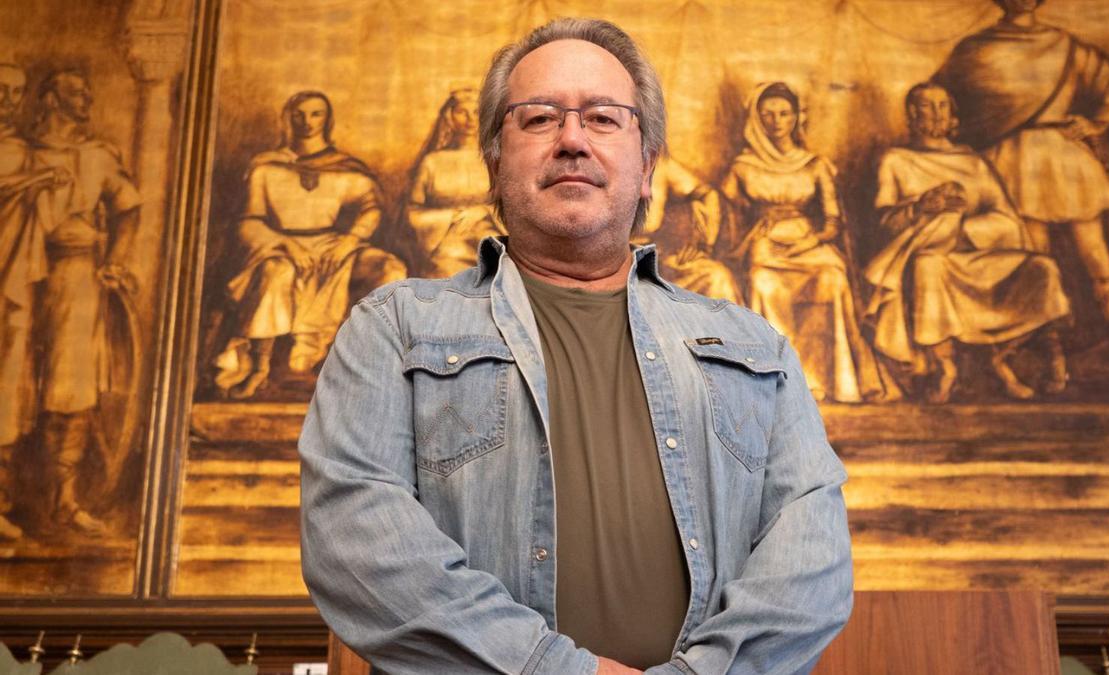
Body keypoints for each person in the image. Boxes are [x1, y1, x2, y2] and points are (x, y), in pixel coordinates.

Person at [301, 18, 852, 675]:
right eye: (538, 118)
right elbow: (357, 539)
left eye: (602, 117)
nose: (570, 139)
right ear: (495, 165)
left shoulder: (756, 345)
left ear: (648, 167)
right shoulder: (393, 328)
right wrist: (555, 669)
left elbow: (811, 559)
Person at [934, 0, 1109, 401]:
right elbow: (941, 102)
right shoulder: (973, 51)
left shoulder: (1064, 44)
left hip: (1065, 162)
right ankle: (1055, 365)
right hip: (1011, 163)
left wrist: (1098, 123)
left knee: (1102, 267)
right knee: (1038, 268)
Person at [863, 82, 1072, 402]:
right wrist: (922, 207)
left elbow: (1006, 218)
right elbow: (883, 224)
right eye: (927, 106)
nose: (935, 113)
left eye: (942, 106)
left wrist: (961, 230)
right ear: (912, 114)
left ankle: (1036, 362)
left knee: (1041, 268)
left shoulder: (973, 163)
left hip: (978, 254)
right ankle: (946, 368)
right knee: (928, 267)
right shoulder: (896, 160)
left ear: (952, 114)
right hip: (929, 256)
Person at [214, 91, 406, 399]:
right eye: (299, 114)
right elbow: (248, 222)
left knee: (390, 268)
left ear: (327, 120)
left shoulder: (343, 166)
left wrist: (351, 239)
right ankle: (258, 367)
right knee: (276, 273)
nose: (307, 122)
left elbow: (372, 208)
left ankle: (361, 362)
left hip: (333, 244)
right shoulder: (266, 168)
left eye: (316, 114)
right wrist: (285, 245)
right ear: (288, 118)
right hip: (280, 247)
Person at [721, 82, 889, 403]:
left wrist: (811, 240)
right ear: (757, 119)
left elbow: (833, 221)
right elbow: (725, 213)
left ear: (797, 117)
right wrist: (739, 232)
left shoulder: (814, 163)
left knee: (831, 279)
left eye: (784, 113)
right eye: (768, 114)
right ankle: (782, 379)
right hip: (766, 242)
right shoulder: (743, 166)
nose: (776, 121)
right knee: (764, 283)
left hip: (810, 242)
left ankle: (831, 377)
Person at [32, 69, 141, 534]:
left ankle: (65, 496)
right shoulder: (21, 152)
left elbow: (128, 208)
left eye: (87, 91)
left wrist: (114, 260)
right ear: (51, 99)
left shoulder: (97, 156)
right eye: (75, 92)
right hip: (20, 277)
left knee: (72, 388)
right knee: (16, 386)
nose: (86, 99)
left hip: (77, 279)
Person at [0, 63, 64, 539]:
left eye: (15, 92)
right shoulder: (27, 163)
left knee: (11, 381)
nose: (7, 99)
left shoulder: (23, 152)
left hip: (12, 281)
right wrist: (32, 181)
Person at [405, 87, 504, 277]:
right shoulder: (432, 162)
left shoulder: (498, 160)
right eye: (461, 112)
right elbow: (413, 211)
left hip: (491, 233)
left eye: (476, 112)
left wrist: (483, 212)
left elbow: (513, 203)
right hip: (443, 239)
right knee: (447, 266)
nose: (469, 119)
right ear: (450, 117)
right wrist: (453, 217)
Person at [639, 154, 743, 305]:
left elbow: (708, 195)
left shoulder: (662, 165)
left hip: (657, 259)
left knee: (717, 278)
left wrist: (701, 244)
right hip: (611, 267)